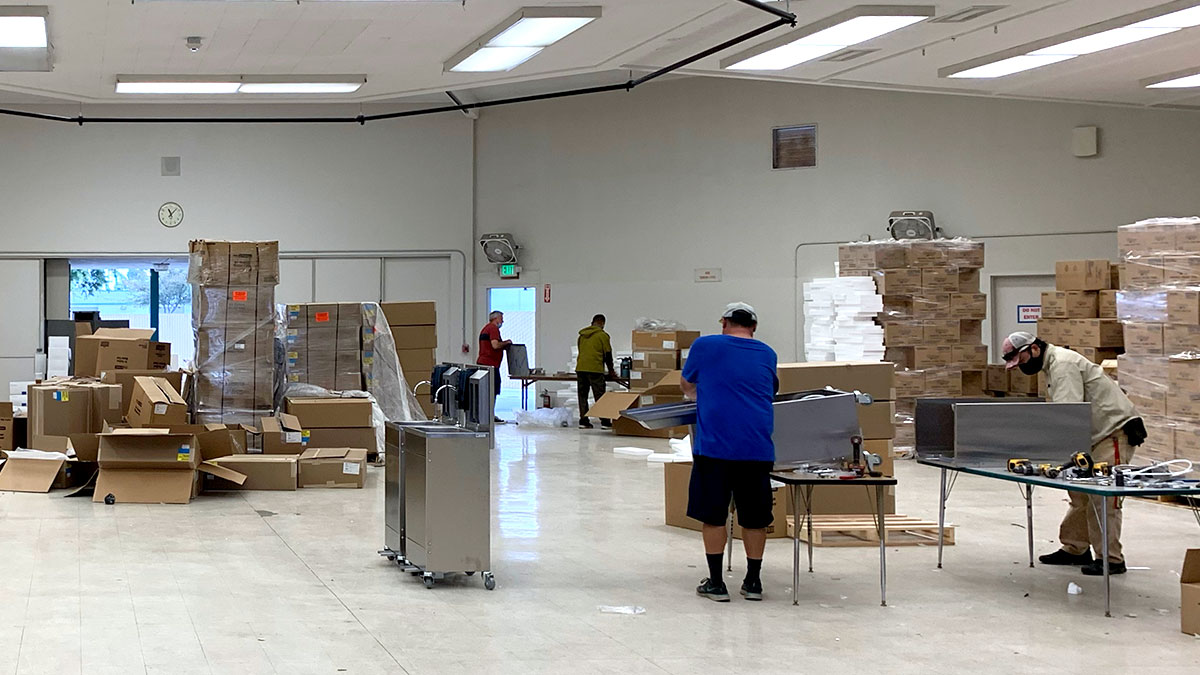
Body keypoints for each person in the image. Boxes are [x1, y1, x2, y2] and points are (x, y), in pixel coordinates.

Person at [1003, 331, 1146, 576]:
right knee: (1079, 493)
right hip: (1093, 433)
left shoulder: (1063, 365)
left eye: (1022, 361)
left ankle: (1111, 559)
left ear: (1034, 349)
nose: (1022, 367)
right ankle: (1075, 548)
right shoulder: (1053, 364)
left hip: (1112, 432)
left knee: (1102, 498)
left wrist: (1043, 450)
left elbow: (1067, 413)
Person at [681, 302, 778, 602]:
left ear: (723, 322)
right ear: (754, 326)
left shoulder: (705, 345)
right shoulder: (768, 353)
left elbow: (686, 385)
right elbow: (769, 390)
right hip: (757, 448)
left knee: (713, 515)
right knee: (755, 518)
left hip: (715, 447)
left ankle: (716, 583)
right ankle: (753, 582)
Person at [576, 314, 616, 429]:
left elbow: (580, 351)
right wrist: (611, 370)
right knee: (599, 395)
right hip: (595, 369)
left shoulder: (582, 335)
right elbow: (608, 354)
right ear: (602, 323)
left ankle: (583, 421)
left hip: (581, 368)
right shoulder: (603, 336)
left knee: (582, 395)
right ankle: (604, 421)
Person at [478, 311, 512, 423]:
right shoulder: (493, 329)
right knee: (492, 390)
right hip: (490, 365)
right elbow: (495, 345)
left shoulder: (485, 328)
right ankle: (489, 416)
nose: (502, 321)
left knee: (486, 391)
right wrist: (506, 343)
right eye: (501, 319)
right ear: (496, 319)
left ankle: (485, 415)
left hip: (484, 364)